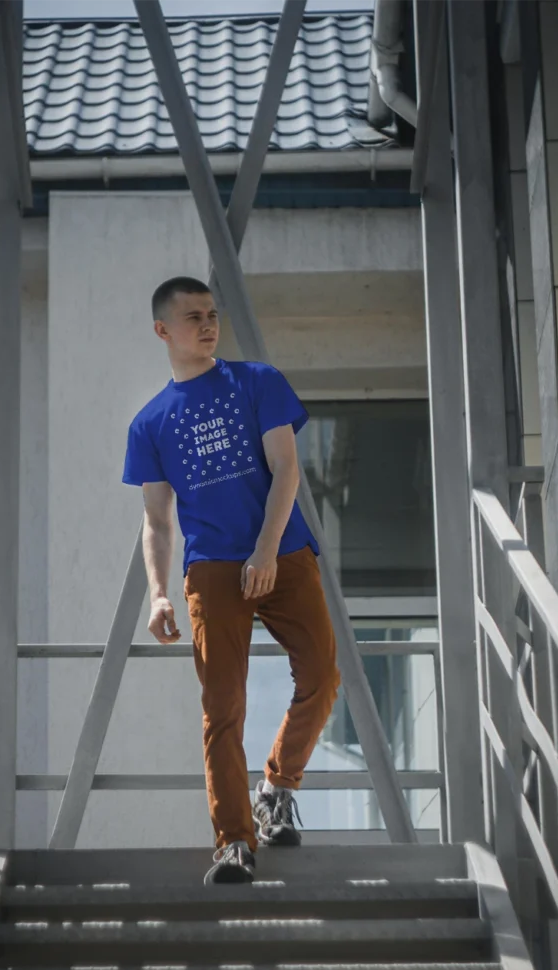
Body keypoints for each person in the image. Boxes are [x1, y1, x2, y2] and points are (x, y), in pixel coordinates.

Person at [122, 276, 340, 885]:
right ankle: (235, 843)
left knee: (322, 675)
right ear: (163, 330)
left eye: (212, 314)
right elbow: (157, 520)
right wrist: (159, 591)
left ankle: (277, 785)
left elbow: (286, 470)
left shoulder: (258, 382)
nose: (208, 324)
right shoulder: (151, 423)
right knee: (222, 706)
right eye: (193, 317)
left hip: (285, 553)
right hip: (212, 569)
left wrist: (267, 550)